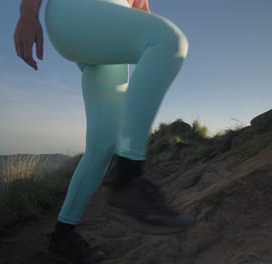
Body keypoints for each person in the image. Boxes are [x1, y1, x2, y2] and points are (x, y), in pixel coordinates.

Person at [14, 0, 194, 263]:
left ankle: (61, 237)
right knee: (169, 40)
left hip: (104, 36)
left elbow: (139, 13)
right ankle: (128, 180)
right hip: (75, 12)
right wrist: (27, 14)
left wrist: (152, 63)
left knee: (103, 144)